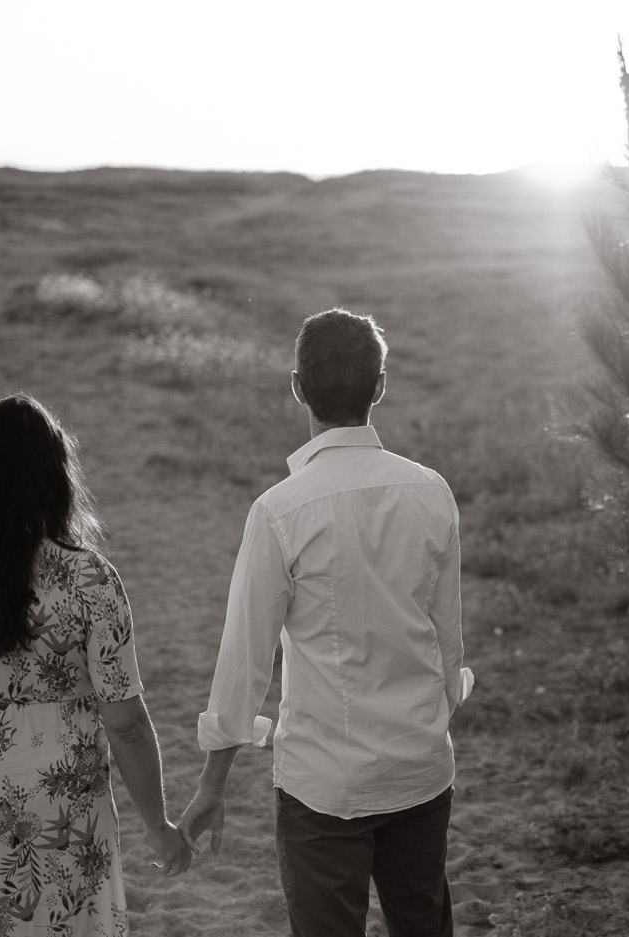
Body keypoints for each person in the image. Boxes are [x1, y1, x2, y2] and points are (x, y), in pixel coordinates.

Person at [178, 309, 473, 937]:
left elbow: (245, 661)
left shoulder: (280, 511)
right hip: (420, 770)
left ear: (297, 387)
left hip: (324, 786)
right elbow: (449, 636)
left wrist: (213, 783)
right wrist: (430, 725)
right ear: (380, 386)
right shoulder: (431, 491)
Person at [0, 393, 189, 937]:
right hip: (65, 810)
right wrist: (159, 826)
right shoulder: (90, 579)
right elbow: (125, 722)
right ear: (55, 477)